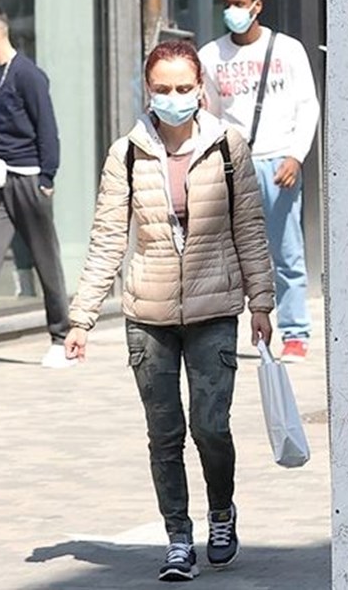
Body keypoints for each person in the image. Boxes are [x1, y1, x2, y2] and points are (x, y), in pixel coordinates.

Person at [64, 40, 275, 582]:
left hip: (214, 306)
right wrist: (83, 316)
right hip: (148, 313)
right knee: (164, 432)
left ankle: (221, 513)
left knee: (210, 426)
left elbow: (250, 227)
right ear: (146, 88)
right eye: (163, 89)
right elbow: (109, 236)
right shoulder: (127, 152)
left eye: (184, 88)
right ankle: (178, 537)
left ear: (200, 88)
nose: (174, 98)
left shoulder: (228, 146)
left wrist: (261, 301)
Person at [198, 0, 320, 363]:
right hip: (234, 165)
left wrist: (296, 156)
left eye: (237, 3)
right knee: (228, 254)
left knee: (285, 252)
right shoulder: (211, 55)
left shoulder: (287, 50)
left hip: (277, 162)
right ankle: (229, 329)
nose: (231, 11)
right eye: (226, 4)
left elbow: (308, 106)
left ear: (256, 6)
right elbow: (210, 115)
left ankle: (296, 332)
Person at [0, 4, 71, 368]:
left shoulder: (28, 75)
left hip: (28, 178)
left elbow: (47, 128)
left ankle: (61, 336)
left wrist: (47, 178)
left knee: (45, 258)